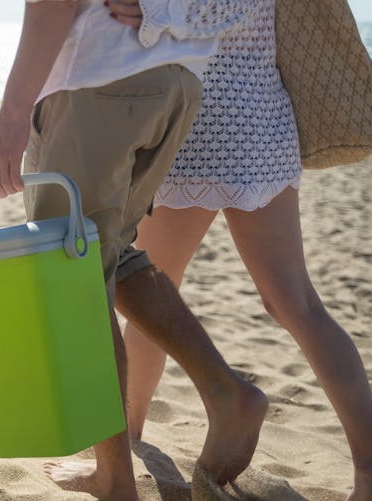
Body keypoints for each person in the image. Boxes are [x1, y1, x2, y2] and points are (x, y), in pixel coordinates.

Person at [0, 1, 269, 498]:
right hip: (177, 82)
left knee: (69, 275)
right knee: (106, 252)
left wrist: (10, 120)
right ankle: (225, 393)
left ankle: (115, 475)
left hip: (98, 80)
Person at [103, 1, 372, 499]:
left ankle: (131, 436)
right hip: (263, 119)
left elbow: (218, 8)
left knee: (152, 293)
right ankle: (369, 466)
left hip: (206, 124)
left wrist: (155, 13)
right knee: (293, 301)